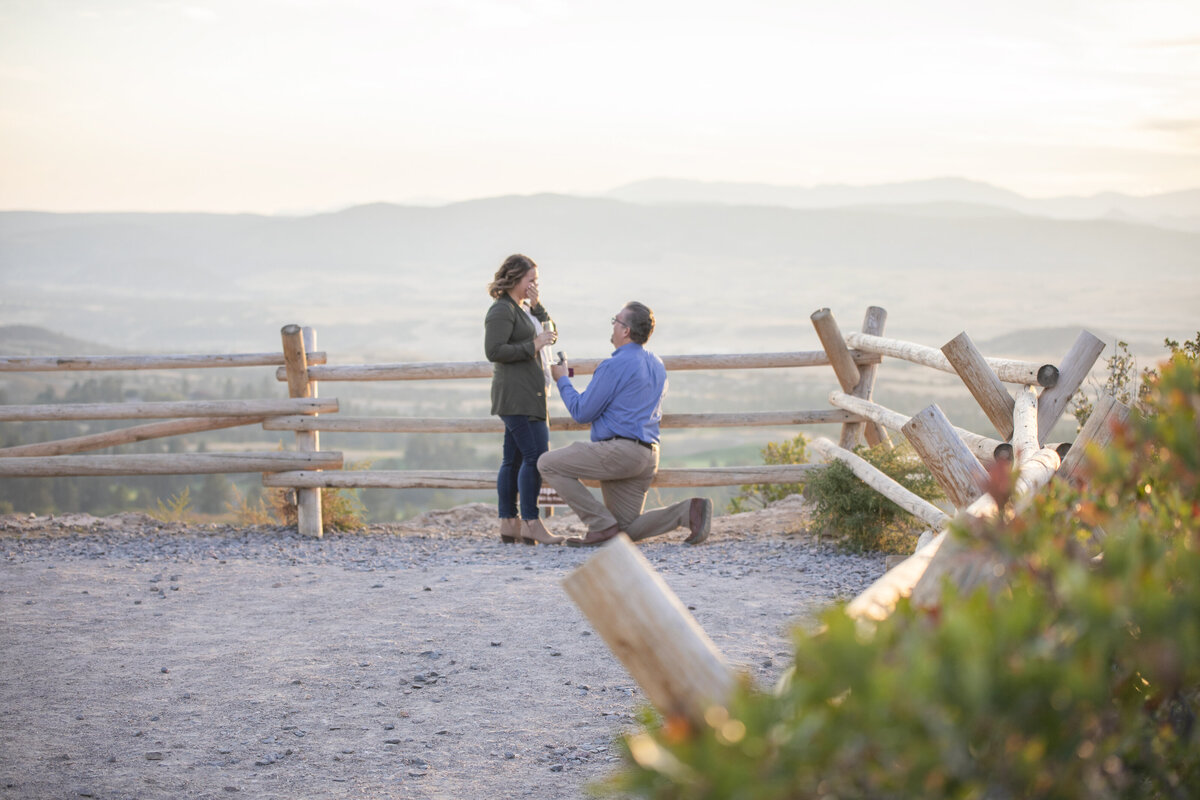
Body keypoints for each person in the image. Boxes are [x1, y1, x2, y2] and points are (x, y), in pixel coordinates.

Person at [538, 301, 712, 547]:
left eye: (615, 321)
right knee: (624, 530)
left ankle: (598, 524)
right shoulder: (657, 364)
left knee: (547, 464)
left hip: (619, 453)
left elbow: (581, 411)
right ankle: (688, 511)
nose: (613, 326)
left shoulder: (614, 365)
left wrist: (563, 380)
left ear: (625, 330)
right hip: (647, 455)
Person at [484, 254, 564, 545]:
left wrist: (539, 306)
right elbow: (494, 351)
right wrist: (532, 345)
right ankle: (531, 522)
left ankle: (509, 522)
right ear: (516, 278)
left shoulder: (522, 309)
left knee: (514, 459)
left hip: (529, 393)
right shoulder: (501, 311)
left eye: (537, 281)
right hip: (518, 396)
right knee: (536, 458)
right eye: (531, 280)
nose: (534, 285)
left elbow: (551, 332)